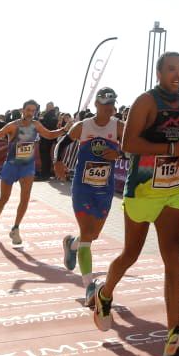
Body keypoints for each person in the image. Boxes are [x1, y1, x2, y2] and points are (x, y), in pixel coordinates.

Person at [87, 51, 179, 356]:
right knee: (131, 254)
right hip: (140, 189)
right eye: (170, 69)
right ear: (159, 72)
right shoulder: (146, 102)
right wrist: (170, 148)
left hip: (170, 192)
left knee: (173, 256)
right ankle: (104, 294)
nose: (176, 74)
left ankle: (173, 333)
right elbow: (129, 145)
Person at [54, 88, 122, 304]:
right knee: (87, 237)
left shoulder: (120, 126)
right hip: (83, 187)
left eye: (111, 104)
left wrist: (120, 153)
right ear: (96, 105)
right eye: (104, 104)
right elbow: (61, 144)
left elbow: (134, 149)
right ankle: (89, 288)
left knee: (92, 235)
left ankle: (71, 244)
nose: (108, 108)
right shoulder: (83, 126)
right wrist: (58, 163)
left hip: (105, 188)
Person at [0, 99, 67, 245]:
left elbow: (49, 135)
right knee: (3, 199)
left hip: (27, 167)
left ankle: (16, 228)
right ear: (22, 110)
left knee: (25, 199)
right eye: (28, 110)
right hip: (11, 166)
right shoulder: (13, 126)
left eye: (33, 110)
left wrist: (64, 129)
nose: (31, 113)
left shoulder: (36, 125)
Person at [39, 101, 62, 178]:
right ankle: (45, 172)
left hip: (47, 137)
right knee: (45, 155)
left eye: (48, 106)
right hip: (46, 137)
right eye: (47, 106)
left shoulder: (52, 115)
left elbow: (50, 126)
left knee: (45, 155)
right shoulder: (50, 114)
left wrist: (41, 121)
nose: (47, 107)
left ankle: (45, 173)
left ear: (52, 107)